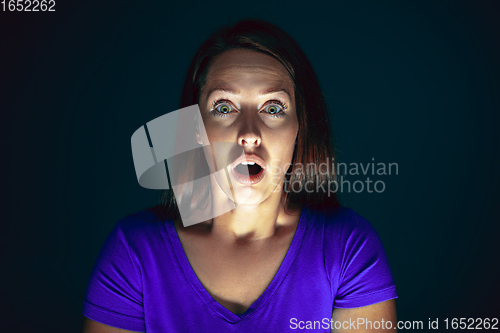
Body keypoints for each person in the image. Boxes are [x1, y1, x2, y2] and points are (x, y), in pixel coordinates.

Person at [81, 19, 398, 332]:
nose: (249, 134)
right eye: (224, 107)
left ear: (300, 127)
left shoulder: (347, 246)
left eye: (273, 108)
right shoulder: (134, 250)